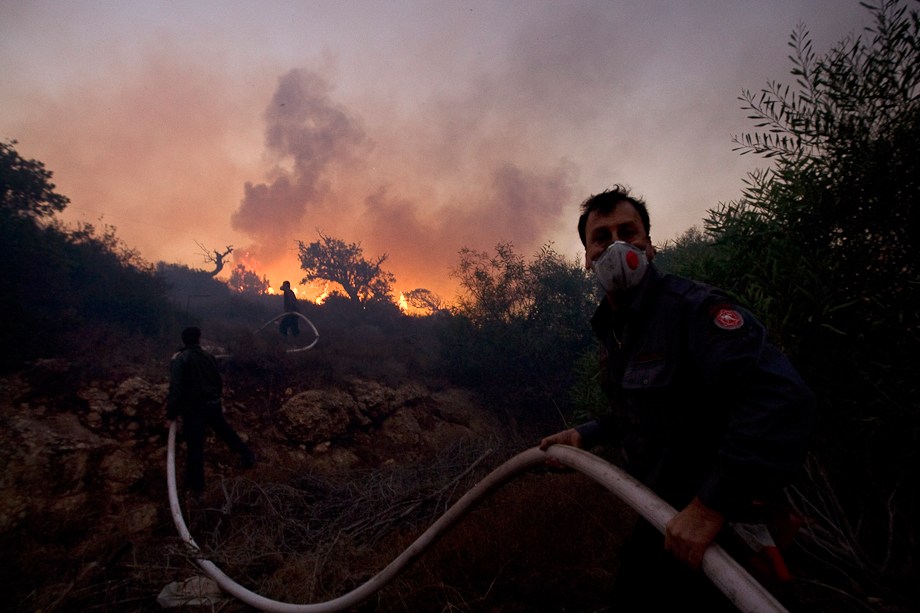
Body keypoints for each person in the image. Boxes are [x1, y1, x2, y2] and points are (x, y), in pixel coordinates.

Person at [539, 186, 815, 609]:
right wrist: (585, 434)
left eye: (627, 232)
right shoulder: (616, 328)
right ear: (587, 257)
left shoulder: (692, 310)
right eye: (601, 237)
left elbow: (781, 398)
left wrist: (709, 507)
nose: (614, 245)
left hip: (717, 529)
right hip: (661, 520)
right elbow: (646, 408)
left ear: (648, 245)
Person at [167, 327, 256, 499]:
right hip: (212, 404)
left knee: (195, 446)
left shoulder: (180, 359)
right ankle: (249, 457)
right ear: (199, 339)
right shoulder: (208, 357)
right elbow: (217, 380)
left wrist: (171, 414)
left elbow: (175, 390)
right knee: (225, 431)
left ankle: (196, 489)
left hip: (193, 408)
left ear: (184, 340)